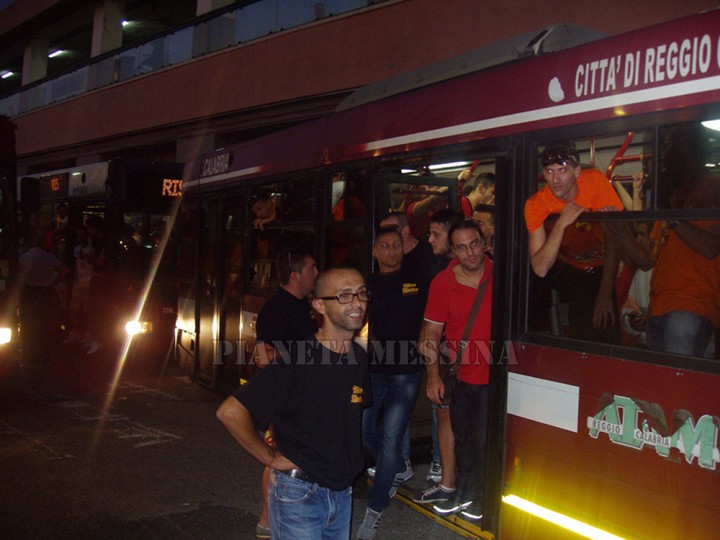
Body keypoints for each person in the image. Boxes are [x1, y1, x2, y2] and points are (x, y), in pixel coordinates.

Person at [216, 267, 369, 540]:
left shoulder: (357, 355)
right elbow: (230, 411)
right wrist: (269, 457)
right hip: (300, 494)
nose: (357, 303)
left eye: (361, 294)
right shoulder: (298, 359)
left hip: (341, 492)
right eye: (344, 296)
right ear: (320, 305)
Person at [419, 219, 493, 521]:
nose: (471, 252)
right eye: (462, 247)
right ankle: (466, 489)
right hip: (462, 375)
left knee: (485, 439)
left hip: (496, 374)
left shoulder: (499, 273)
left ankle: (479, 496)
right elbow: (431, 335)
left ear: (484, 242)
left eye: (474, 244)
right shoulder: (442, 283)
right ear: (453, 251)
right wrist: (433, 376)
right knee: (463, 438)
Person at [357, 227, 427, 540]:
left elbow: (431, 320)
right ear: (375, 251)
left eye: (396, 245)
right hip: (373, 368)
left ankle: (374, 512)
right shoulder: (366, 285)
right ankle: (397, 465)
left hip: (407, 372)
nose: (392, 251)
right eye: (385, 246)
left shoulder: (416, 281)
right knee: (363, 429)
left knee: (390, 437)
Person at [524, 141, 623, 341]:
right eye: (549, 171)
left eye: (562, 170)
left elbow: (617, 240)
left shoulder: (594, 181)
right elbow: (540, 268)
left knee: (606, 322)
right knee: (579, 312)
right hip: (571, 268)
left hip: (604, 264)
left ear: (577, 171)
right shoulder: (536, 204)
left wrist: (604, 296)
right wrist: (561, 224)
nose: (555, 179)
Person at [252, 249, 319, 539]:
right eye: (312, 268)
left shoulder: (302, 306)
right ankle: (266, 519)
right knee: (278, 457)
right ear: (296, 275)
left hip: (302, 393)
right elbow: (264, 357)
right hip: (285, 398)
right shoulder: (276, 309)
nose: (316, 273)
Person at [18, 228, 69, 365]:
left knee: (29, 322)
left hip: (30, 292)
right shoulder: (48, 257)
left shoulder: (24, 257)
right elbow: (65, 269)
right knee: (45, 322)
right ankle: (44, 351)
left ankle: (30, 350)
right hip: (45, 292)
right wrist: (54, 283)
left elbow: (19, 275)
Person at [63, 226, 95, 344]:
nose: (80, 238)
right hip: (79, 282)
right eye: (78, 236)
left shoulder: (91, 248)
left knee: (87, 310)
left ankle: (89, 333)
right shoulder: (76, 248)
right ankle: (75, 332)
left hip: (89, 281)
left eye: (82, 235)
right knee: (73, 309)